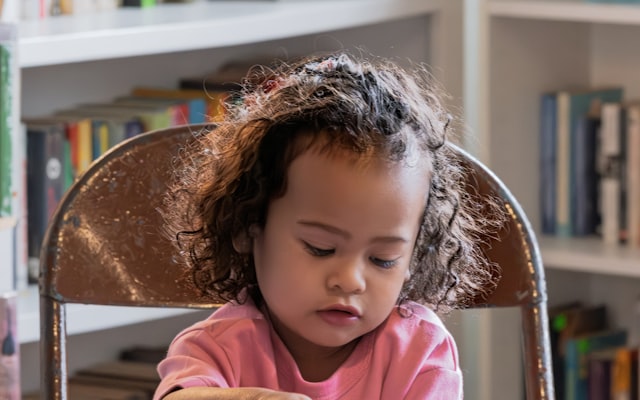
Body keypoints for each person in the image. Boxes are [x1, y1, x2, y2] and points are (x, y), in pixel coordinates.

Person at [153, 52, 502, 400]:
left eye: (383, 258)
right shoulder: (217, 348)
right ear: (248, 227)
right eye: (321, 248)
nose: (350, 280)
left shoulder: (418, 350)